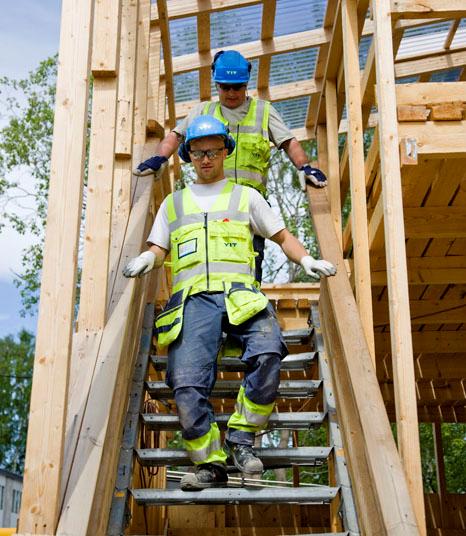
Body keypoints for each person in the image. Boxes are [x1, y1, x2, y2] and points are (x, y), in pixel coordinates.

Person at [123, 116, 336, 491]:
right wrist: (147, 258)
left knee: (269, 349)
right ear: (188, 156)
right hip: (192, 304)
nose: (206, 158)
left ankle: (241, 438)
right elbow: (158, 246)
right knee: (186, 382)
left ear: (225, 152)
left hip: (241, 297)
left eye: (213, 151)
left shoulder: (246, 197)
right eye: (198, 152)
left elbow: (282, 235)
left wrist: (307, 260)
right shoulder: (174, 204)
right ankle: (209, 464)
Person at [134, 49, 328, 281]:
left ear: (246, 84)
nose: (231, 92)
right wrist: (160, 158)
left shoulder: (263, 111)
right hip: (207, 200)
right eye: (225, 87)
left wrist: (304, 166)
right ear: (217, 85)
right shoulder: (203, 112)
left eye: (237, 87)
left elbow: (289, 142)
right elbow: (175, 136)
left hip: (248, 205)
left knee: (248, 262)